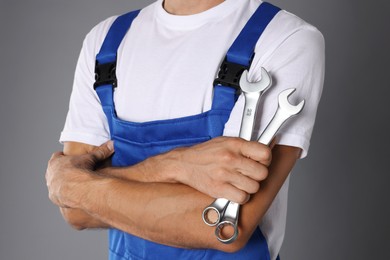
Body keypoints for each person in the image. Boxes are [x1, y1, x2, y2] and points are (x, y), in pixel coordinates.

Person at [45, 0, 325, 259]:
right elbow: (76, 213)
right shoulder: (104, 41)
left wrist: (78, 185)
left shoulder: (285, 38)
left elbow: (223, 227)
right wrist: (172, 167)